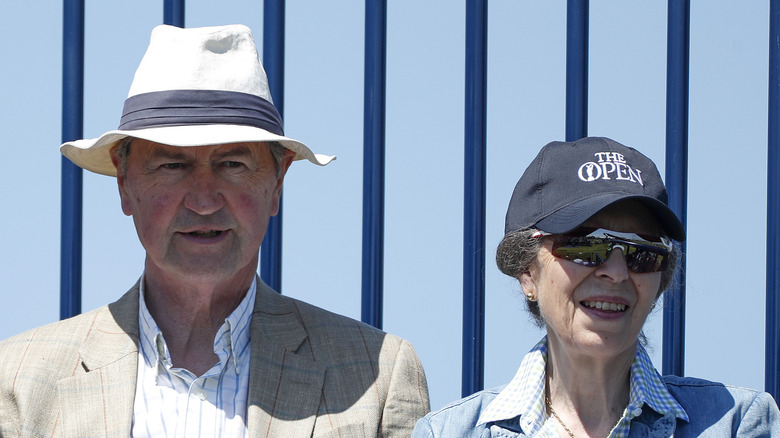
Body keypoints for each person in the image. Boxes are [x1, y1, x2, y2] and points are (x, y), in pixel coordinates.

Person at [0, 24, 429, 437]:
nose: (204, 201)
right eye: (172, 165)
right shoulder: (20, 379)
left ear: (276, 184)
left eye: (233, 165)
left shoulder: (375, 374)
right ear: (124, 184)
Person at [412, 137, 780, 437]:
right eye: (586, 246)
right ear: (527, 272)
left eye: (642, 254)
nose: (617, 272)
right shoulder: (448, 432)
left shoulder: (735, 422)